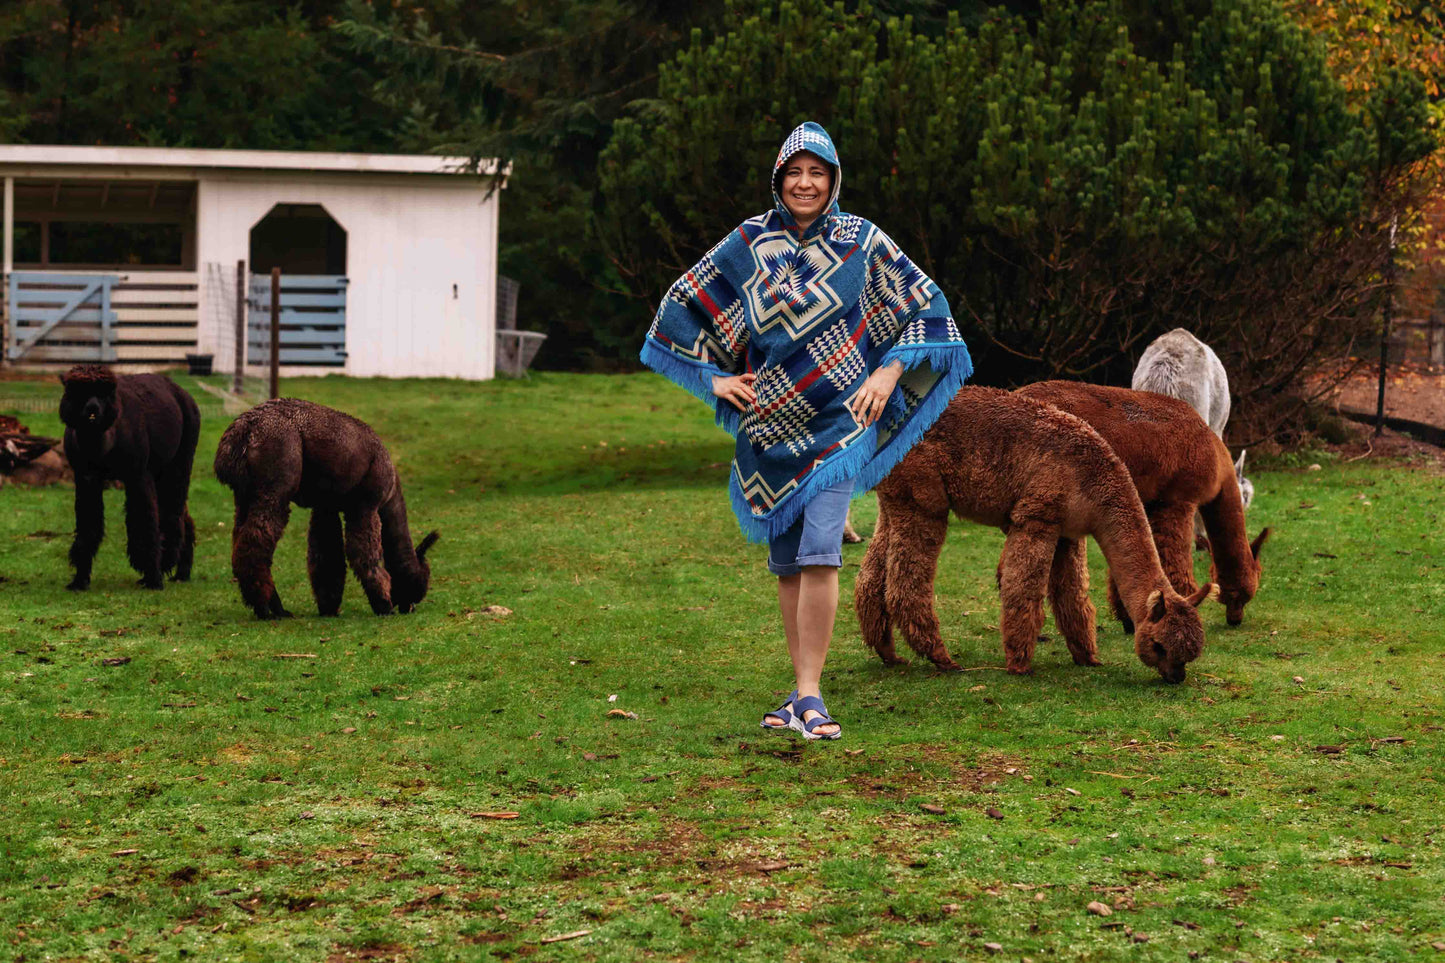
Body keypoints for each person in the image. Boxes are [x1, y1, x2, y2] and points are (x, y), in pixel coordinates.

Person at [640, 122, 972, 740]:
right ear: (778, 179)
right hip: (767, 430)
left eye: (817, 172)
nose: (804, 182)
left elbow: (925, 304)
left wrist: (888, 371)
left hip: (841, 425)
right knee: (789, 562)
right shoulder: (748, 243)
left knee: (821, 552)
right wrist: (712, 379)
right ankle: (798, 691)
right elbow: (682, 305)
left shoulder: (861, 242)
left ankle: (814, 695)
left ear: (833, 180)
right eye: (795, 171)